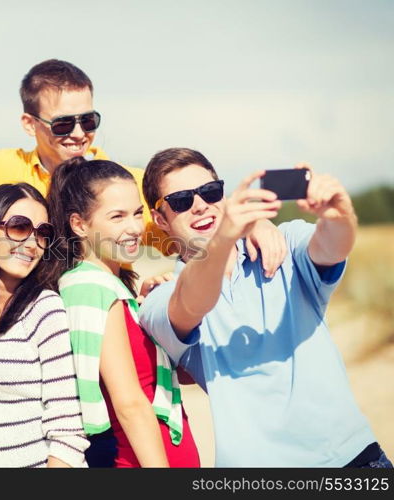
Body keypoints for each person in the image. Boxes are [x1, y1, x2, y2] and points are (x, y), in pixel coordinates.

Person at [138, 147, 393, 467]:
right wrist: (226, 237)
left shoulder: (285, 240)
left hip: (351, 460)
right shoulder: (161, 297)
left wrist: (339, 216)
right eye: (181, 201)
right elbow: (192, 302)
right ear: (160, 219)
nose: (201, 205)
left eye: (210, 192)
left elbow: (331, 247)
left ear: (224, 196)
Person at [0, 58, 287, 266]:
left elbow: (198, 228)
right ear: (29, 124)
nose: (78, 133)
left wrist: (253, 226)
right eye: (62, 124)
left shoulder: (130, 185)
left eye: (88, 121)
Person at [43, 158, 200, 468]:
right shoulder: (91, 287)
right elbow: (129, 404)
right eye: (117, 217)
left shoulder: (108, 286)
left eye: (137, 213)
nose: (134, 228)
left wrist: (141, 314)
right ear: (79, 224)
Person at [0, 183, 89, 468]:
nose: (32, 242)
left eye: (43, 233)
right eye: (19, 227)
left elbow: (67, 427)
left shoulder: (44, 308)